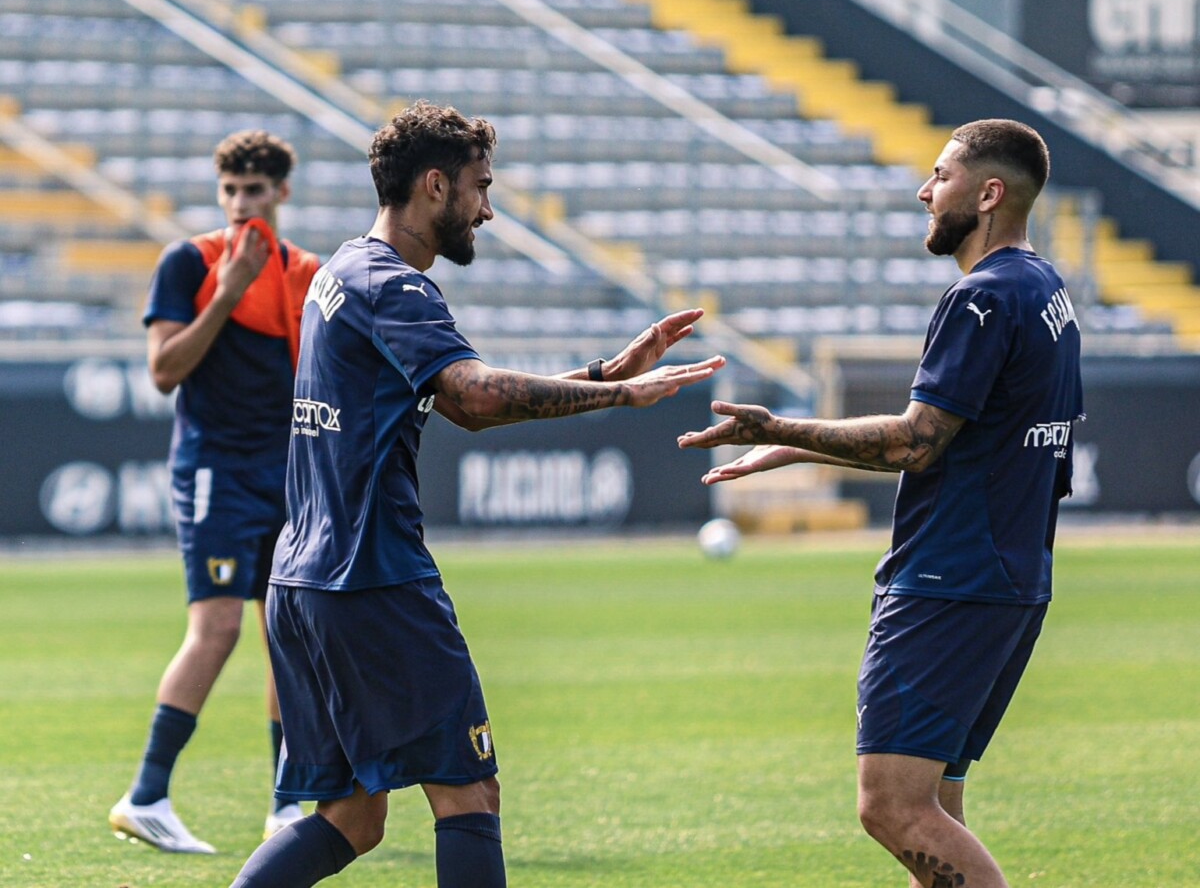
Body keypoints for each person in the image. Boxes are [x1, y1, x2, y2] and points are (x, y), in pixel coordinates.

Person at [226, 100, 724, 888]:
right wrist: (620, 401)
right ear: (434, 185)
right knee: (468, 791)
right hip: (374, 577)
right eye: (480, 187)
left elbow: (460, 399)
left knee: (352, 816)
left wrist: (602, 375)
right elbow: (480, 395)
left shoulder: (341, 271)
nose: (488, 208)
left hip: (305, 581)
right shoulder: (396, 286)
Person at [679, 119, 1083, 888]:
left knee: (892, 808)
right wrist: (804, 448)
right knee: (934, 804)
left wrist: (782, 424)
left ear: (988, 193)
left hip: (950, 579)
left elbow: (914, 442)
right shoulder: (1046, 290)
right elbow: (970, 439)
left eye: (940, 175)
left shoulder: (983, 298)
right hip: (1009, 576)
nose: (925, 191)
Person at [109, 130, 321, 853]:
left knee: (287, 636)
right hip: (215, 472)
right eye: (229, 189)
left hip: (287, 476)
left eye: (254, 190)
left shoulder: (306, 273)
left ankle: (287, 804)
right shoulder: (191, 262)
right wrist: (227, 293)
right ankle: (146, 794)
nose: (239, 204)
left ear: (281, 193)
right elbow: (165, 369)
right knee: (218, 626)